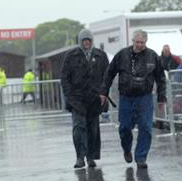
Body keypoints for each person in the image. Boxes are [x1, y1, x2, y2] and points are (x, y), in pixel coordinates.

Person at [101, 29, 166, 169]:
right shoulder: (122, 54)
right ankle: (126, 149)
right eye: (137, 42)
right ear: (133, 41)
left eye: (142, 42)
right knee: (124, 127)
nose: (139, 45)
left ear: (145, 42)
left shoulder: (153, 56)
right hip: (126, 97)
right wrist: (103, 92)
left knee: (146, 128)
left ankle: (141, 157)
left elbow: (161, 78)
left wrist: (161, 98)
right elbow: (109, 73)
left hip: (145, 98)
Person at [61, 29, 109, 168]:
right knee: (78, 128)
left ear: (92, 41)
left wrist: (104, 94)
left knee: (93, 129)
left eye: (88, 40)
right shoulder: (71, 56)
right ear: (80, 41)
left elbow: (107, 77)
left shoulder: (101, 55)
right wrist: (69, 96)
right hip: (77, 99)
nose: (86, 43)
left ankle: (91, 157)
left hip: (95, 99)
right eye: (84, 41)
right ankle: (80, 157)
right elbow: (65, 77)